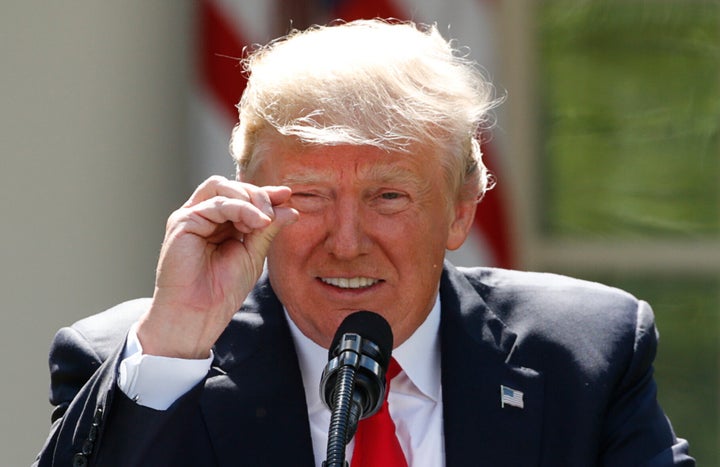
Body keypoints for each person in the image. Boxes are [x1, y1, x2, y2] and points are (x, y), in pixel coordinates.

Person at [34, 19, 694, 466]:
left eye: (388, 197)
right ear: (249, 203)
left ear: (460, 211)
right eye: (310, 197)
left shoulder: (586, 352)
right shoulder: (136, 362)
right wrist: (177, 339)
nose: (345, 243)